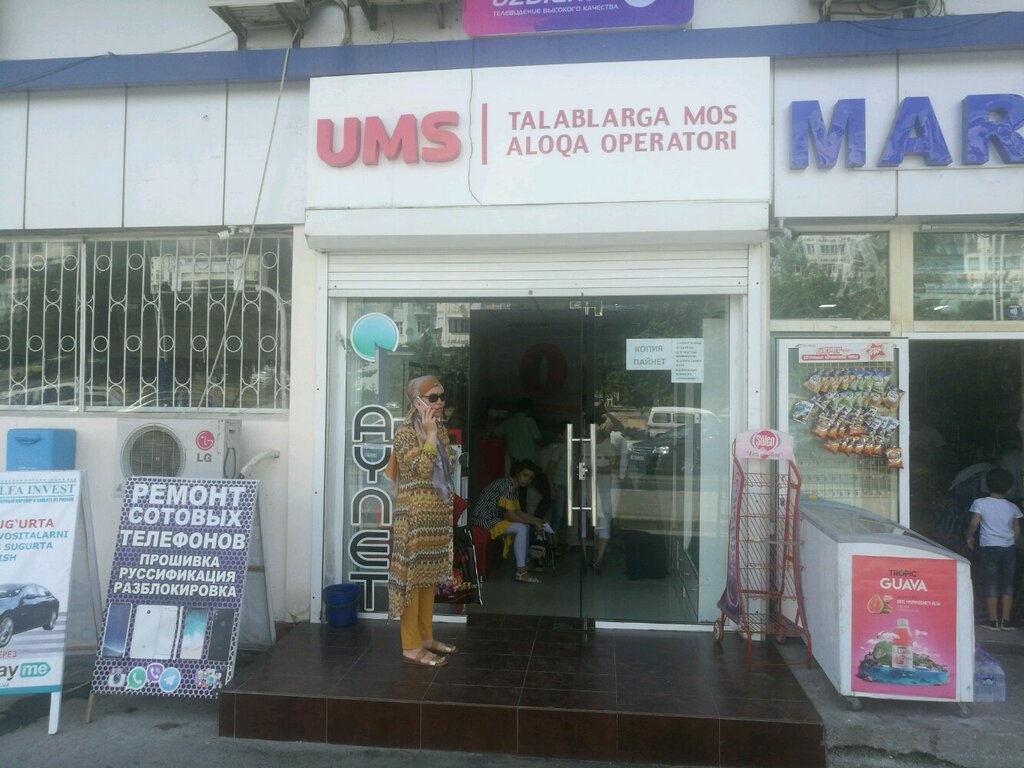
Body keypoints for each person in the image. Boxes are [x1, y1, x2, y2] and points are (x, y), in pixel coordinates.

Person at [384, 375, 459, 667]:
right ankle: (411, 645)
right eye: (433, 398)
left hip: (436, 515)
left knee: (428, 579)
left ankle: (426, 638)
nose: (440, 402)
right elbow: (421, 468)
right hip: (414, 516)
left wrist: (434, 434)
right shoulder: (405, 432)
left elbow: (449, 465)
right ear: (417, 401)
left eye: (442, 397)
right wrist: (429, 436)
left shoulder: (439, 429)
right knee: (412, 583)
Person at [470, 460, 547, 583]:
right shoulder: (508, 486)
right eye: (525, 475)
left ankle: (524, 564)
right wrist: (534, 523)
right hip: (483, 519)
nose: (527, 480)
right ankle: (521, 572)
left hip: (493, 519)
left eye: (530, 478)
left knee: (525, 526)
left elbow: (518, 512)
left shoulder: (513, 487)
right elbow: (511, 516)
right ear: (517, 473)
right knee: (521, 528)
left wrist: (537, 520)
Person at [966, 467, 1022, 631]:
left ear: (987, 486)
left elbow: (974, 523)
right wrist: (1011, 541)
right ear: (1009, 489)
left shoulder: (980, 503)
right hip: (1008, 548)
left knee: (990, 581)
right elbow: (1017, 530)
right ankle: (1006, 620)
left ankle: (992, 621)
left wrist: (969, 536)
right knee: (1007, 583)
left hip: (988, 548)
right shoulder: (1013, 507)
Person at [494, 397, 549, 516]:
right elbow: (539, 441)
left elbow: (494, 434)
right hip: (530, 465)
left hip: (516, 466)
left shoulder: (508, 423)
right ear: (529, 409)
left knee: (519, 501)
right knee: (549, 493)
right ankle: (535, 520)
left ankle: (525, 523)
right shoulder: (529, 421)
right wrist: (553, 439)